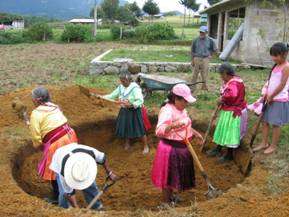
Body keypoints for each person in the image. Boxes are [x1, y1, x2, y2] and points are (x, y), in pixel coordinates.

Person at [151, 84, 203, 204]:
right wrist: (171, 125)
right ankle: (165, 203)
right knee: (168, 177)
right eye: (185, 101)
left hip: (181, 147)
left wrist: (194, 133)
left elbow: (185, 125)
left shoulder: (182, 109)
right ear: (176, 99)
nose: (187, 104)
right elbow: (159, 131)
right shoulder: (167, 110)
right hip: (170, 150)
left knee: (176, 175)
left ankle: (171, 197)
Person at [29, 86, 78, 202]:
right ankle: (71, 186)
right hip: (70, 136)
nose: (32, 100)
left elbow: (36, 138)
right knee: (68, 162)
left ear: (37, 100)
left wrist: (39, 145)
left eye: (32, 98)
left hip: (57, 142)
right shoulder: (54, 106)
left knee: (54, 168)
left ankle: (59, 196)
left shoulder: (36, 114)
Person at [49, 143, 118, 209]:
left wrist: (110, 172)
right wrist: (77, 209)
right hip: (59, 157)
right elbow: (69, 194)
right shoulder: (63, 171)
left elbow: (103, 158)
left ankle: (96, 206)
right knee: (64, 192)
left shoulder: (91, 153)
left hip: (76, 152)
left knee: (90, 184)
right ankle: (64, 209)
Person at [252, 43, 289, 154]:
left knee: (276, 124)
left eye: (276, 55)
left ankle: (273, 146)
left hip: (278, 99)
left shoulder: (286, 67)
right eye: (272, 55)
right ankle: (264, 143)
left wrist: (272, 96)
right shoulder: (276, 66)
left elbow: (282, 85)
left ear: (284, 54)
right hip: (269, 98)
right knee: (265, 121)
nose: (273, 58)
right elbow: (271, 81)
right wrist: (266, 93)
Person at [207, 63, 247, 162]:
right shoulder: (232, 80)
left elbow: (232, 94)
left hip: (233, 112)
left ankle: (229, 155)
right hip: (227, 110)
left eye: (221, 75)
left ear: (225, 73)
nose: (221, 77)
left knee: (230, 132)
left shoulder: (234, 83)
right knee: (222, 129)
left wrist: (222, 98)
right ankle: (218, 148)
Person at [103, 72, 149, 154]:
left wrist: (131, 105)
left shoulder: (135, 88)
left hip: (134, 111)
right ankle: (127, 143)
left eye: (124, 81)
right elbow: (112, 95)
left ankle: (145, 146)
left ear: (129, 80)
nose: (122, 83)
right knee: (126, 126)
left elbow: (140, 100)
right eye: (121, 81)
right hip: (124, 111)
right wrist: (102, 97)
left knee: (139, 128)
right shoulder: (121, 87)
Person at [191, 26, 217, 92]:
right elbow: (192, 51)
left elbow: (214, 49)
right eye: (200, 32)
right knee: (194, 74)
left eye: (203, 32)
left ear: (206, 33)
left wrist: (211, 55)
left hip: (205, 58)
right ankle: (192, 88)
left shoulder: (210, 40)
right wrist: (192, 60)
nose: (201, 34)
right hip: (196, 58)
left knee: (204, 74)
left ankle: (204, 87)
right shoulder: (195, 40)